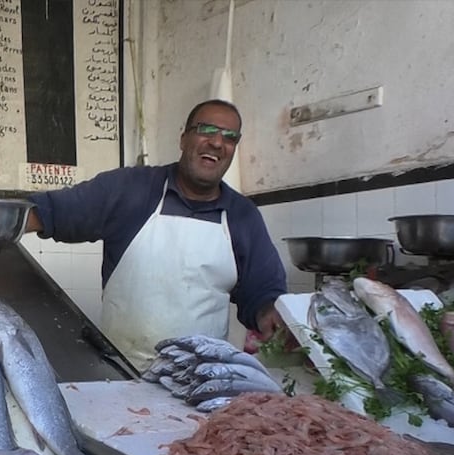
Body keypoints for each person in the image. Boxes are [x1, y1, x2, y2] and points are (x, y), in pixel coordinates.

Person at [24, 98, 287, 368]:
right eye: (206, 130)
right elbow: (51, 212)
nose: (217, 143)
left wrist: (273, 317)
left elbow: (263, 293)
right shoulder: (131, 189)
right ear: (183, 139)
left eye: (229, 137)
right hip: (122, 373)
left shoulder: (243, 216)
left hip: (200, 381)